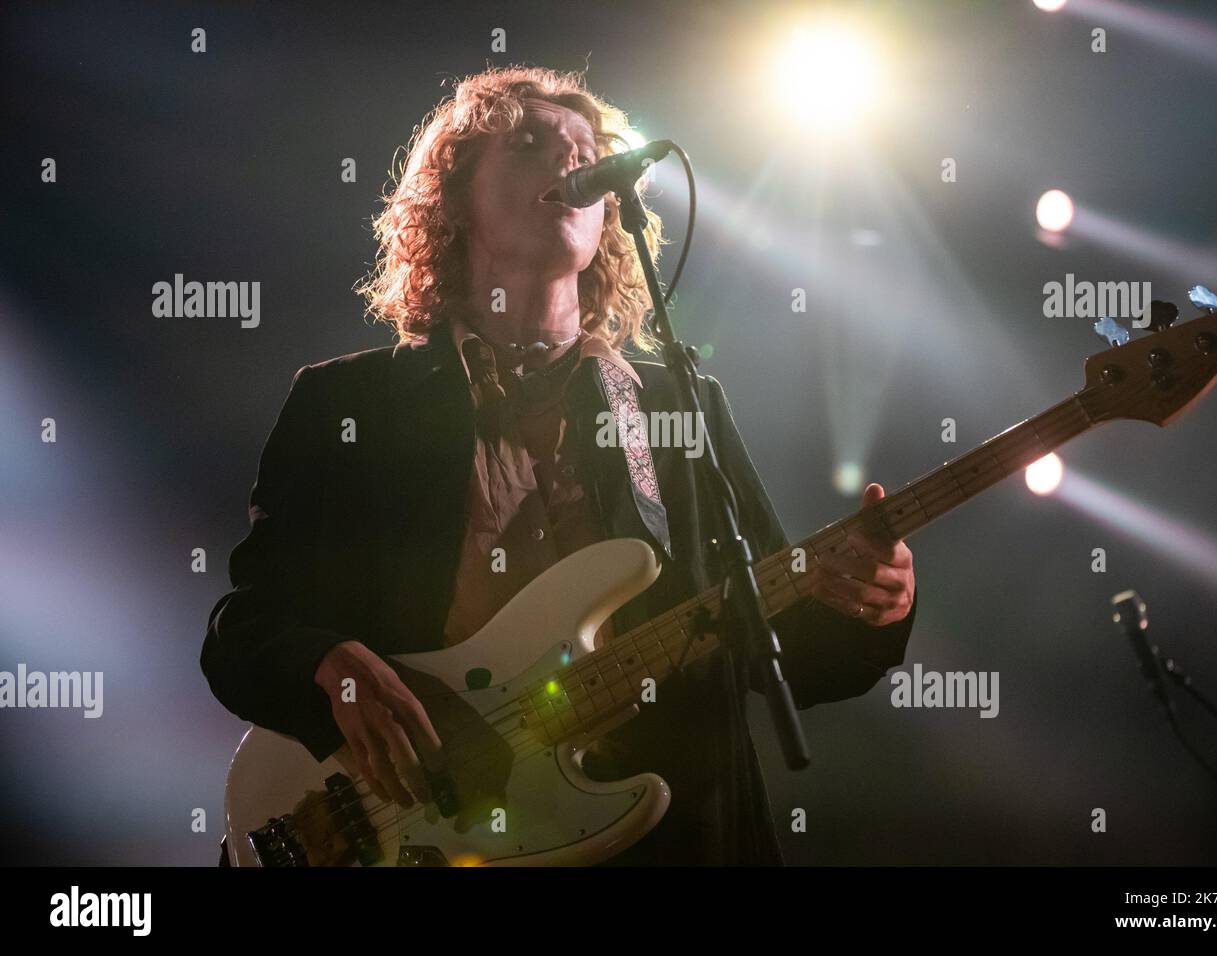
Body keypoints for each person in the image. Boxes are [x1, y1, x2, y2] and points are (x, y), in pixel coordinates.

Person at [201, 65, 917, 866]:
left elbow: (771, 644)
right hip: (423, 830)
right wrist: (331, 667)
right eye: (532, 143)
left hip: (656, 838)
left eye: (587, 149)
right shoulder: (349, 402)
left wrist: (871, 604)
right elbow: (244, 630)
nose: (571, 161)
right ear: (452, 200)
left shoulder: (677, 402)